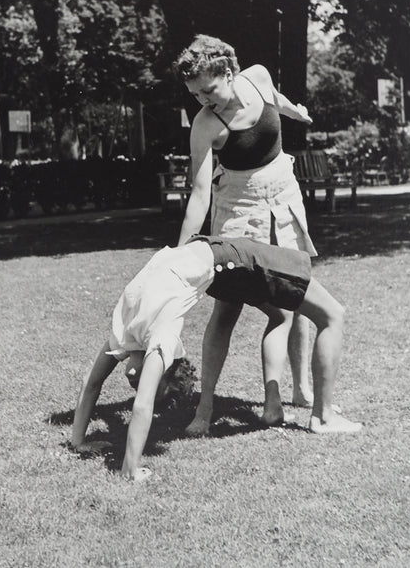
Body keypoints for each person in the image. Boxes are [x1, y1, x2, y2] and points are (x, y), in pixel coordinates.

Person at [69, 236, 362, 481]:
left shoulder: (125, 333)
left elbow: (95, 384)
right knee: (333, 315)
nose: (133, 380)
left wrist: (80, 442)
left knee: (283, 315)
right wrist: (129, 469)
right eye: (145, 381)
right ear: (165, 365)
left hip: (225, 260)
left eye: (140, 380)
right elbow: (140, 403)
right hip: (227, 263)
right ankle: (323, 418)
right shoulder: (163, 338)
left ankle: (287, 409)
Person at [174, 34, 316, 434]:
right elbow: (200, 193)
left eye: (208, 90)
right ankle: (204, 409)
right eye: (195, 95)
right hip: (237, 207)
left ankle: (301, 389)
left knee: (295, 293)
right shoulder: (206, 125)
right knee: (227, 308)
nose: (203, 101)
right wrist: (182, 251)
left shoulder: (257, 76)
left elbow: (276, 97)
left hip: (282, 195)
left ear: (229, 72)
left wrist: (295, 112)